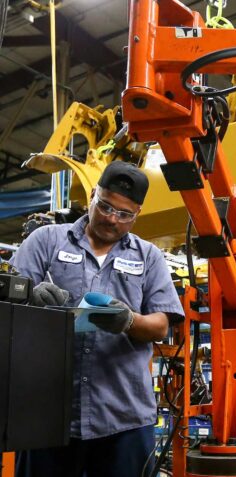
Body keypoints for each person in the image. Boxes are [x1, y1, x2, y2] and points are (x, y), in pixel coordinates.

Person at [11, 161, 184, 477]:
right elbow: (6, 296)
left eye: (124, 214)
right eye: (104, 206)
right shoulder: (46, 241)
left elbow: (161, 325)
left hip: (123, 417)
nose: (111, 219)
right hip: (47, 412)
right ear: (92, 195)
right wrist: (30, 296)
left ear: (137, 215)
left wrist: (128, 321)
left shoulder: (148, 257)